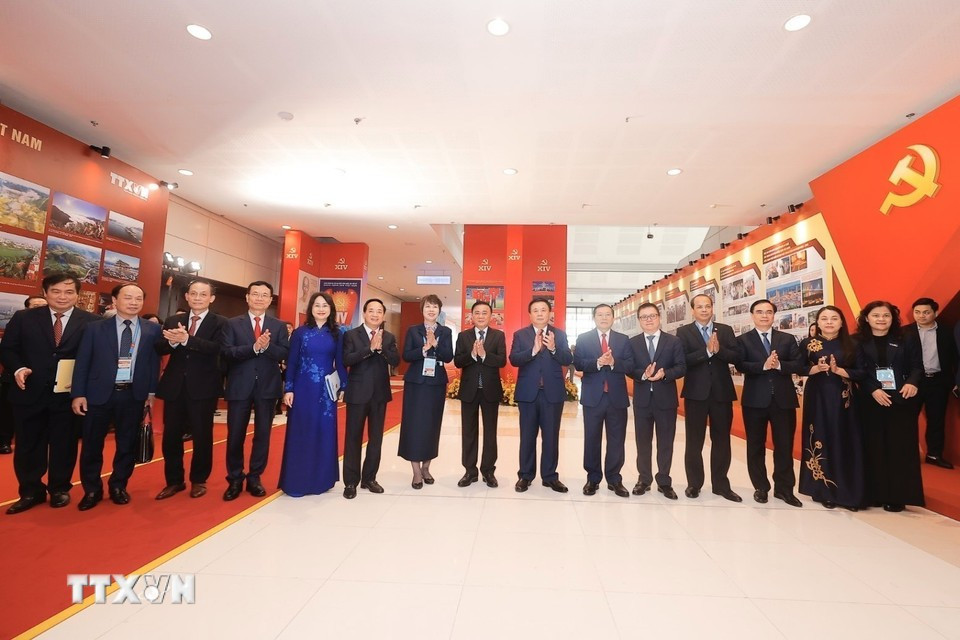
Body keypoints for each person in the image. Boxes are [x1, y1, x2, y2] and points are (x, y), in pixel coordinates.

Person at [0, 275, 97, 513]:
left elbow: (96, 357)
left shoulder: (92, 322)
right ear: (45, 293)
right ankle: (30, 491)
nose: (62, 297)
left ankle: (59, 489)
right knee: (28, 445)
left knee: (65, 445)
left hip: (68, 396)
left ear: (77, 295)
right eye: (56, 291)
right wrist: (19, 368)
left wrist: (84, 386)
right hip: (29, 392)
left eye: (69, 292)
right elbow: (8, 349)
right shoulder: (24, 318)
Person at [71, 283, 162, 511]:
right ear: (114, 300)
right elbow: (82, 362)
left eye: (138, 298)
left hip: (133, 394)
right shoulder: (95, 328)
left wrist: (151, 392)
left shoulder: (152, 330)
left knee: (127, 444)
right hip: (98, 394)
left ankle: (118, 485)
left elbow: (153, 363)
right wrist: (78, 393)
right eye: (128, 297)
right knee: (92, 445)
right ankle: (92, 489)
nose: (133, 302)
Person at [154, 278, 227, 500]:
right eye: (193, 293)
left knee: (202, 436)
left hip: (203, 387)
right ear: (186, 296)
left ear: (211, 298)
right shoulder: (173, 320)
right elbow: (159, 347)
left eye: (203, 294)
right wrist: (173, 342)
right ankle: (174, 481)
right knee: (171, 437)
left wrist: (187, 340)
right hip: (175, 386)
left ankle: (199, 480)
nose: (197, 298)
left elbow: (218, 348)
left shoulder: (220, 322)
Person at [221, 281, 290, 501]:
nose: (259, 298)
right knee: (235, 435)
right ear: (247, 297)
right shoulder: (232, 324)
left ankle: (254, 477)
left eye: (264, 295)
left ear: (270, 300)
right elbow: (227, 352)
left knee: (263, 435)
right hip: (239, 386)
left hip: (267, 387)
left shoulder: (278, 326)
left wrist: (267, 347)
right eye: (255, 294)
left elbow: (284, 353)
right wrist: (253, 348)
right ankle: (234, 478)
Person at [854, 300, 925, 512]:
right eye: (876, 315)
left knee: (900, 448)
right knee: (874, 446)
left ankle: (897, 496)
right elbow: (858, 370)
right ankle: (876, 493)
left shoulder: (906, 338)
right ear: (867, 318)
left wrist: (912, 382)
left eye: (886, 315)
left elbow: (917, 366)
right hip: (871, 400)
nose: (881, 319)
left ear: (893, 318)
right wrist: (873, 390)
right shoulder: (857, 341)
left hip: (902, 399)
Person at [737, 299, 806, 507]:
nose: (764, 315)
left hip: (783, 401)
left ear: (774, 315)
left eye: (768, 312)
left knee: (784, 446)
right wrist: (763, 365)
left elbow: (798, 364)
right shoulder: (743, 340)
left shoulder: (787, 339)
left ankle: (784, 489)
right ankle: (761, 487)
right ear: (752, 315)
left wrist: (779, 365)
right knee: (755, 446)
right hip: (754, 401)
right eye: (759, 312)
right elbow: (740, 365)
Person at [798, 306, 865, 510]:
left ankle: (849, 493)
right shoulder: (807, 344)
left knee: (845, 439)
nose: (829, 322)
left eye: (834, 318)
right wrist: (816, 368)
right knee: (820, 437)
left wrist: (839, 370)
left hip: (844, 399)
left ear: (841, 322)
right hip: (817, 397)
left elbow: (863, 372)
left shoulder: (853, 343)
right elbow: (798, 367)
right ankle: (823, 490)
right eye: (824, 318)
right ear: (817, 322)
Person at [676, 294, 741, 502]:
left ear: (712, 308)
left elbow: (736, 357)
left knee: (721, 439)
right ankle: (694, 484)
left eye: (707, 306)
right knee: (694, 441)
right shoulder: (684, 332)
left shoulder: (725, 330)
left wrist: (719, 350)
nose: (704, 310)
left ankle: (721, 485)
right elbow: (682, 360)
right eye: (699, 307)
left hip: (721, 393)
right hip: (696, 393)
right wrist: (705, 352)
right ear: (692, 310)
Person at [280, 292, 346, 496]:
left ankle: (321, 480)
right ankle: (297, 481)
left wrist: (344, 386)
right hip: (302, 389)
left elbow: (340, 363)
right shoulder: (300, 333)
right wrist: (289, 388)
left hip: (326, 393)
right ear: (311, 308)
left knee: (323, 432)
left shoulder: (337, 333)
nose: (321, 309)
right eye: (317, 305)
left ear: (331, 309)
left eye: (325, 305)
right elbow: (292, 362)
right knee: (301, 431)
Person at [508, 297, 573, 493]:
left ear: (549, 313)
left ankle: (550, 477)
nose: (539, 313)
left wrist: (553, 348)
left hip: (552, 394)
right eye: (535, 310)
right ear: (530, 314)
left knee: (551, 437)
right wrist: (533, 350)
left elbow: (567, 359)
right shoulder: (521, 335)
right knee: (527, 436)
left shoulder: (559, 335)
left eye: (543, 310)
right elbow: (514, 359)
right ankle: (525, 476)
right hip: (528, 393)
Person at [342, 298, 400, 499]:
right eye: (371, 311)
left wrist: (381, 348)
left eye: (379, 312)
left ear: (383, 315)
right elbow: (347, 359)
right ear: (364, 313)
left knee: (376, 439)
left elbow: (396, 361)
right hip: (357, 393)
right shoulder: (351, 335)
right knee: (353, 438)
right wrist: (369, 349)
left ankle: (369, 478)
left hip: (379, 394)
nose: (375, 315)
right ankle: (351, 482)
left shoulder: (389, 337)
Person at [574, 304, 634, 497]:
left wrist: (614, 362)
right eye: (600, 314)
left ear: (613, 318)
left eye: (608, 314)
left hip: (617, 398)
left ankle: (614, 479)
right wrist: (598, 363)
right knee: (592, 438)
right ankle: (592, 478)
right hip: (593, 398)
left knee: (617, 440)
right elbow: (578, 363)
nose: (604, 317)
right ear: (594, 318)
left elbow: (630, 365)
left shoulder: (623, 340)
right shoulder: (583, 339)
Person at [628, 302, 686, 499]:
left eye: (652, 315)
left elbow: (681, 366)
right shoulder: (633, 343)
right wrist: (643, 375)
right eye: (644, 317)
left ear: (659, 318)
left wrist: (665, 374)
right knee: (642, 442)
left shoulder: (673, 341)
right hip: (642, 400)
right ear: (639, 320)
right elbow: (629, 368)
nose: (649, 320)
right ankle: (644, 480)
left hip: (666, 400)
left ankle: (664, 481)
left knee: (666, 442)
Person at [398, 294, 454, 488]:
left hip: (436, 383)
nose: (431, 310)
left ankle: (426, 467)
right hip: (416, 383)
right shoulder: (413, 330)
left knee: (432, 424)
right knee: (414, 424)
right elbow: (406, 355)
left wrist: (436, 345)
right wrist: (424, 349)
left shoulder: (445, 332)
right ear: (422, 309)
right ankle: (415, 470)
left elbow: (448, 356)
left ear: (439, 310)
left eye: (435, 307)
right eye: (428, 306)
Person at [453, 300, 506, 488]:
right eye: (477, 312)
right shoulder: (463, 336)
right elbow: (458, 361)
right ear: (472, 316)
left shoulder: (498, 336)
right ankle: (470, 471)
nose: (481, 316)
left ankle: (488, 471)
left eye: (485, 313)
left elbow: (501, 361)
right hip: (469, 390)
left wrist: (484, 355)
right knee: (469, 432)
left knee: (490, 433)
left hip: (490, 390)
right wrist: (472, 355)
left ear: (491, 316)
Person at [907, 298, 958, 469]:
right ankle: (907, 455)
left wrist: (954, 381)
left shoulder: (947, 332)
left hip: (938, 382)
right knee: (907, 420)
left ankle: (934, 455)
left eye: (926, 312)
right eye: (917, 312)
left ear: (935, 313)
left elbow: (954, 358)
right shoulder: (904, 332)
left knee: (937, 420)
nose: (921, 316)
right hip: (912, 382)